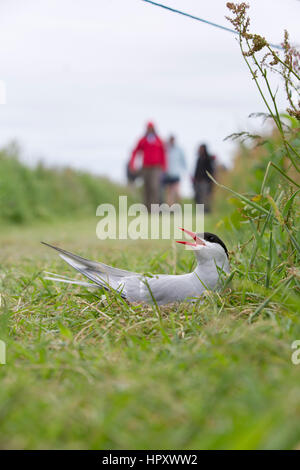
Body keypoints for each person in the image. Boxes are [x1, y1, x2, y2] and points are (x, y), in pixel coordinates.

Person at [129, 122, 166, 210]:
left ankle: (154, 210)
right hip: (145, 167)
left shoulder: (159, 141)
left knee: (154, 187)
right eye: (148, 128)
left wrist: (164, 167)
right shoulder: (143, 140)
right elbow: (135, 151)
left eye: (151, 128)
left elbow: (164, 154)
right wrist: (132, 164)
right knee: (146, 188)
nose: (150, 129)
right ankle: (147, 209)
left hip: (156, 168)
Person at [163, 135, 186, 206]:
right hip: (167, 174)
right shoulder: (166, 149)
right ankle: (170, 208)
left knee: (177, 192)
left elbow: (183, 161)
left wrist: (184, 171)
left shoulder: (179, 150)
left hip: (176, 174)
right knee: (168, 193)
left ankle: (179, 207)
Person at [193, 144, 216, 213]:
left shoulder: (208, 159)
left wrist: (210, 180)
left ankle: (206, 210)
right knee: (198, 196)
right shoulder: (199, 158)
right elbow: (196, 170)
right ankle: (200, 211)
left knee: (205, 196)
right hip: (198, 181)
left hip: (205, 181)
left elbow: (211, 170)